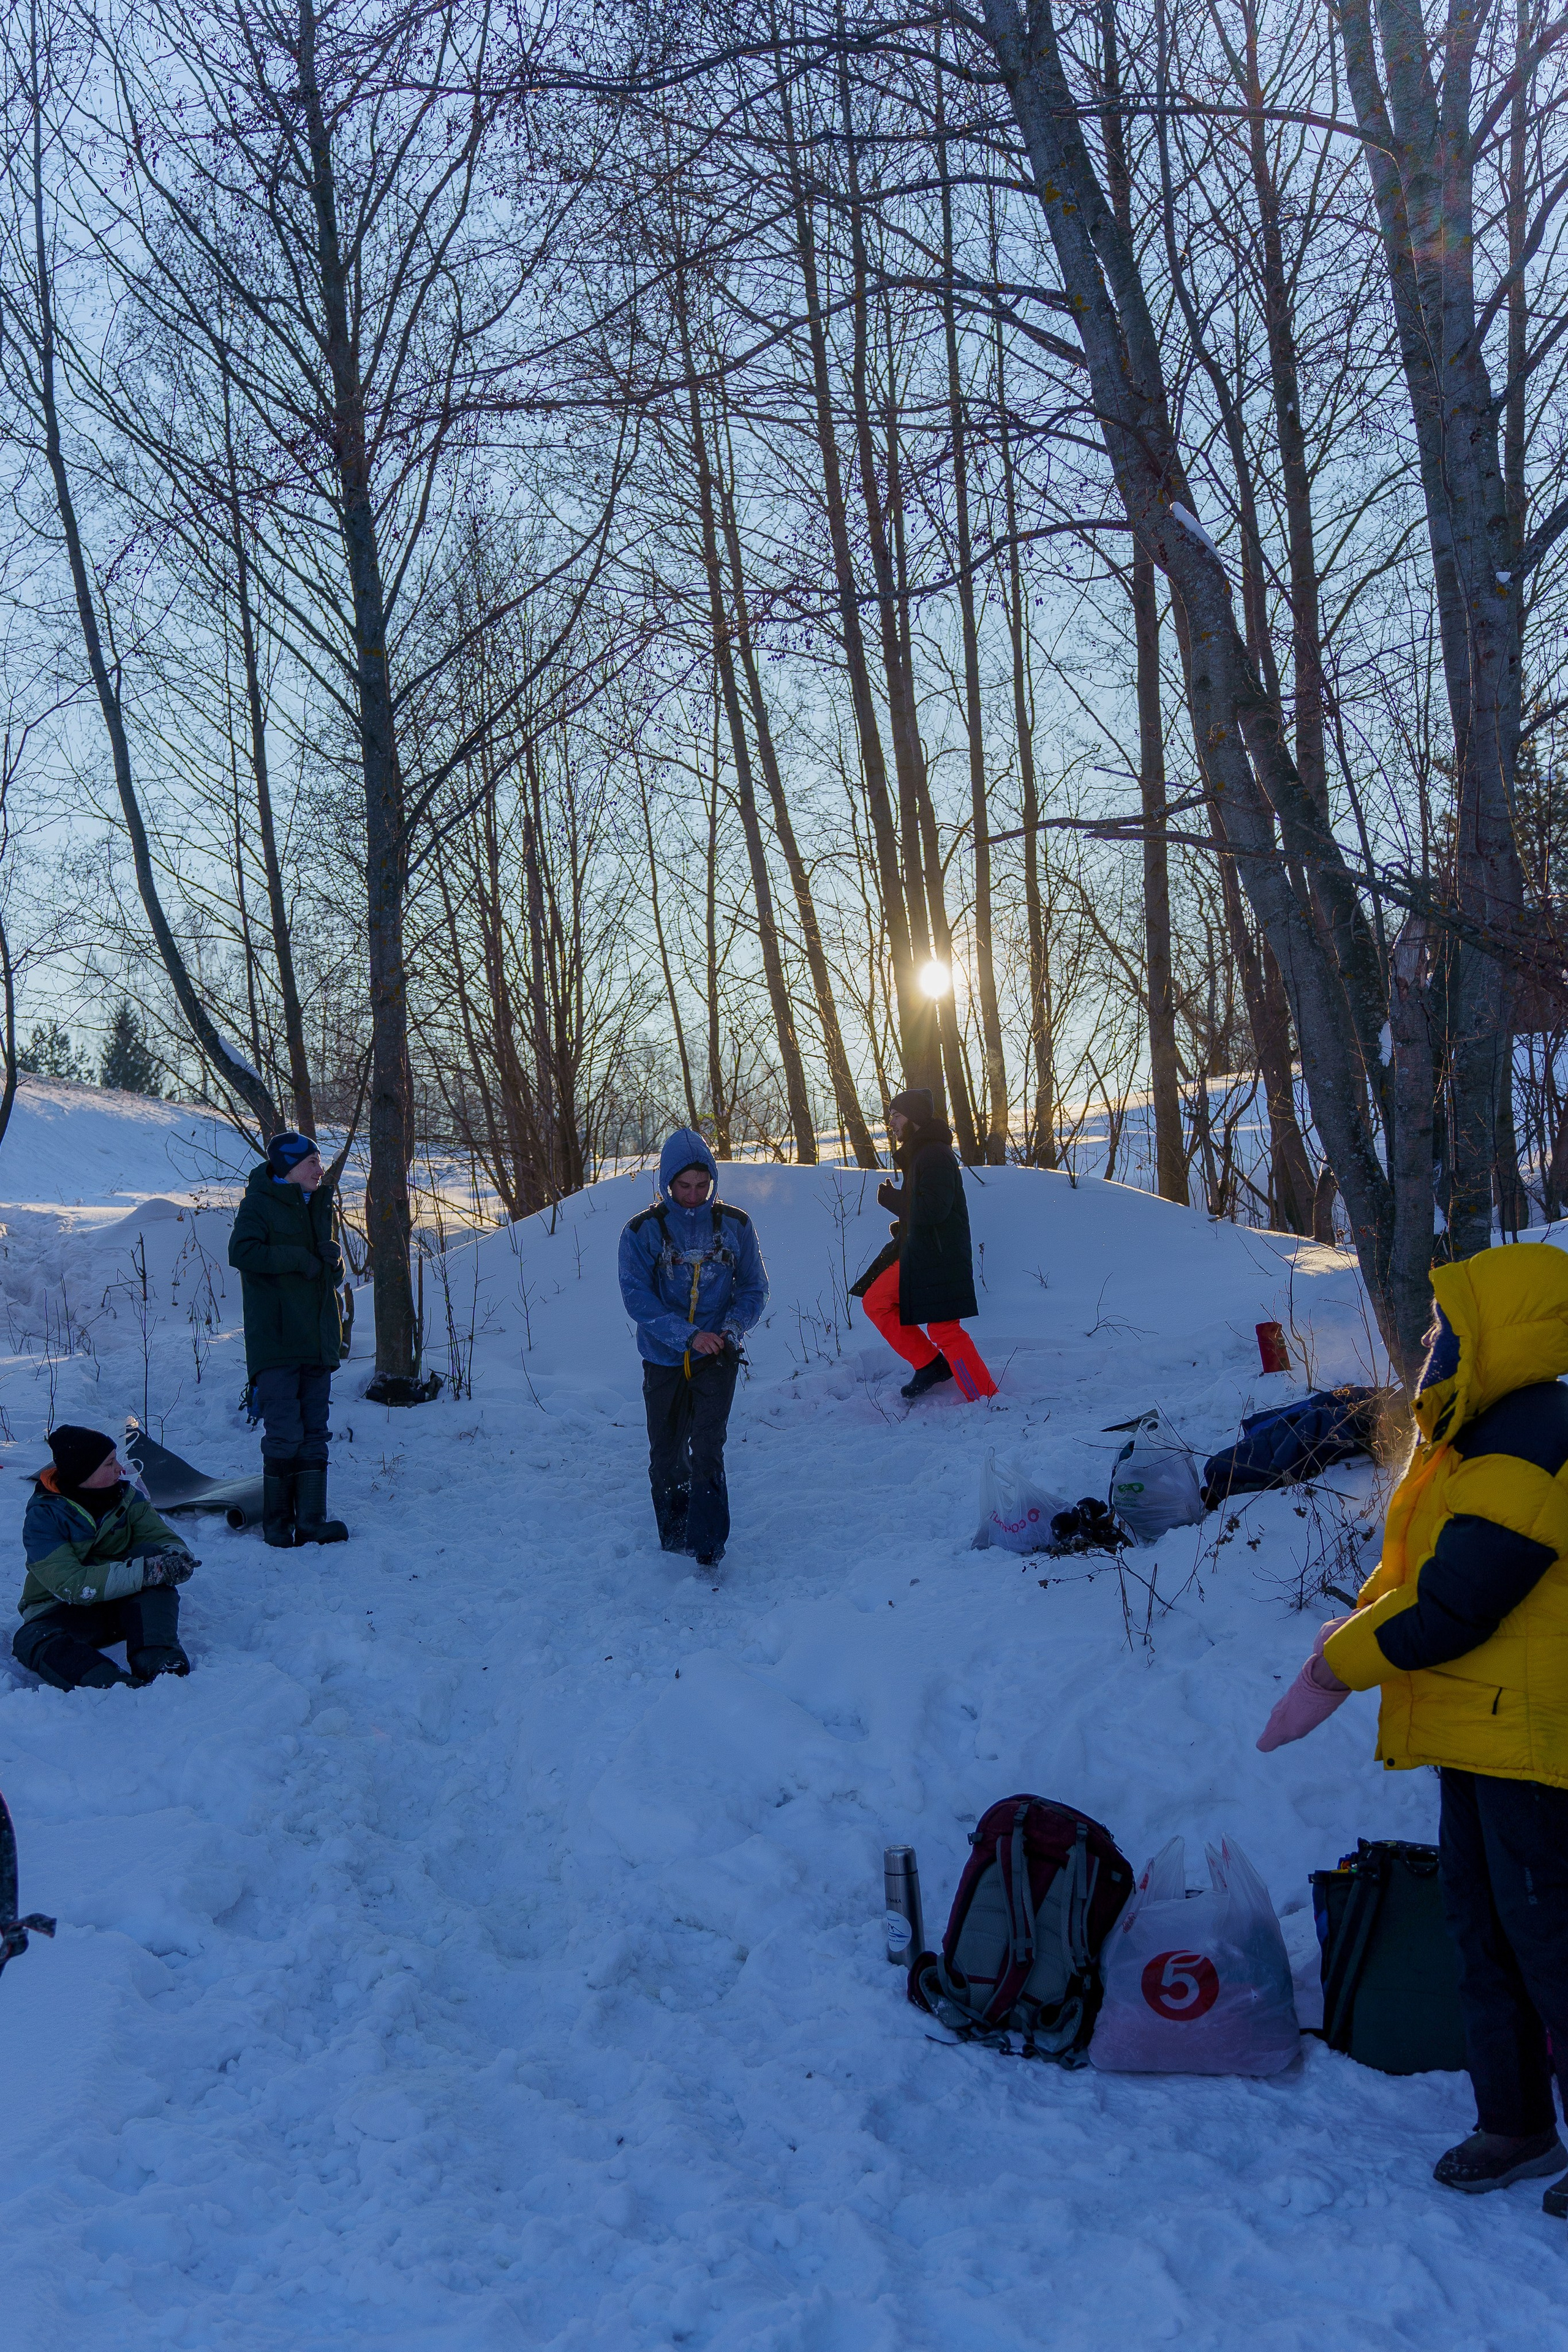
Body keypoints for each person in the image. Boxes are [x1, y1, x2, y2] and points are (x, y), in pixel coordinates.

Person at [1259, 1243, 1568, 2213]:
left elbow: (1460, 1600)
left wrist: (1333, 1668)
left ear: (1497, 1337)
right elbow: (1409, 1578)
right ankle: (1515, 2125)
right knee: (1485, 1941)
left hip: (1532, 1745)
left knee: (1554, 1950)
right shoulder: (1473, 1440)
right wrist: (1353, 1630)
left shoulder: (1539, 1437)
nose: (1429, 1343)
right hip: (1479, 1735)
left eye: (1445, 1329)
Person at [618, 1129, 768, 1568]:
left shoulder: (736, 1225)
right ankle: (675, 1538)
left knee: (707, 1446)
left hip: (717, 1354)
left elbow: (755, 1288)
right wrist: (685, 1335)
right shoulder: (642, 1230)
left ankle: (707, 1547)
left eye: (703, 1185)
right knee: (667, 1453)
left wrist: (732, 1329)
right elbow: (636, 1297)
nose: (694, 1194)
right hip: (663, 1356)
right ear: (667, 1182)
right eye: (684, 1186)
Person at [228, 1131, 349, 1548]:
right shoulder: (259, 1203)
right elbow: (242, 1253)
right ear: (288, 1168)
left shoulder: (318, 1205)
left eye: (319, 1161)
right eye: (312, 1163)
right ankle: (279, 1524)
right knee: (285, 1432)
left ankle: (312, 1520)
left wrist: (333, 1265)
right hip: (277, 1339)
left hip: (316, 1337)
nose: (320, 1169)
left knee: (316, 1430)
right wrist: (300, 1259)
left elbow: (323, 1276)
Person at [12, 1425, 196, 1689]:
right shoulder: (44, 1518)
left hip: (123, 1605)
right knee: (30, 1638)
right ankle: (108, 1681)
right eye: (109, 1463)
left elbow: (162, 1537)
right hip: (63, 1611)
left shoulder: (128, 1498)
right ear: (84, 1473)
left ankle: (159, 1659)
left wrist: (177, 1557)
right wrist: (146, 1572)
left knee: (153, 1555)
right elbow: (73, 1584)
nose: (120, 1469)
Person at [851, 1087, 997, 1401]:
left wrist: (894, 1201)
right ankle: (930, 1365)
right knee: (876, 1301)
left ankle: (984, 1398)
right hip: (923, 1252)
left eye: (897, 1115)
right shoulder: (922, 1153)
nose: (891, 1122)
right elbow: (930, 1209)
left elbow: (932, 1208)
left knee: (945, 1330)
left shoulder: (934, 1154)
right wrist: (905, 1226)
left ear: (914, 1118)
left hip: (941, 1258)